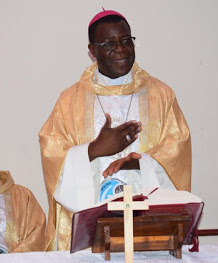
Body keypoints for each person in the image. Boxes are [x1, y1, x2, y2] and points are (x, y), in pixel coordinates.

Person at [39, 9, 191, 251]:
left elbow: (177, 149)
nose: (121, 49)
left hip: (148, 226)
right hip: (94, 227)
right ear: (92, 51)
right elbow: (51, 151)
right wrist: (94, 150)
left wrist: (141, 162)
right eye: (109, 43)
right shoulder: (70, 101)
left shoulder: (160, 95)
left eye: (126, 40)